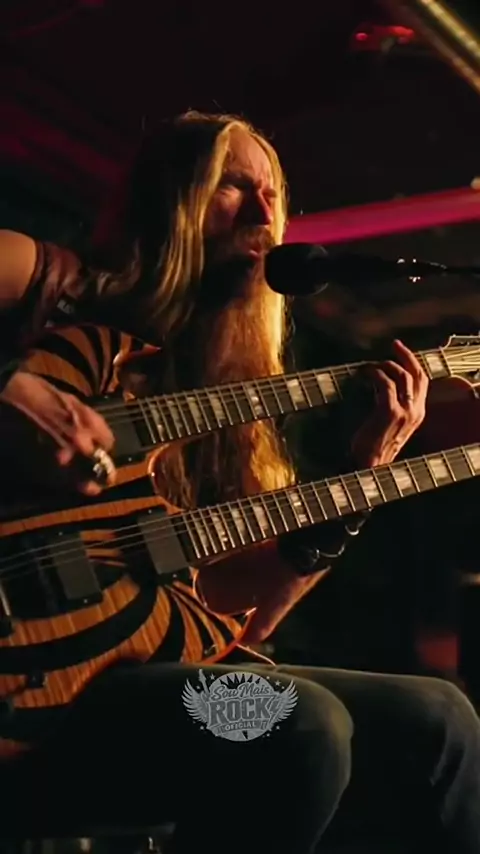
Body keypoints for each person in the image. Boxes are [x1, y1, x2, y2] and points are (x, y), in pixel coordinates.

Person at [0, 111, 479, 853]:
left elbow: (237, 627)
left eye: (273, 196)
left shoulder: (239, 408)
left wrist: (359, 484)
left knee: (439, 720)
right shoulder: (49, 282)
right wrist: (14, 388)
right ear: (170, 197)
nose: (263, 213)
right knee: (301, 723)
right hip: (35, 713)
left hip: (120, 689)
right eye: (233, 185)